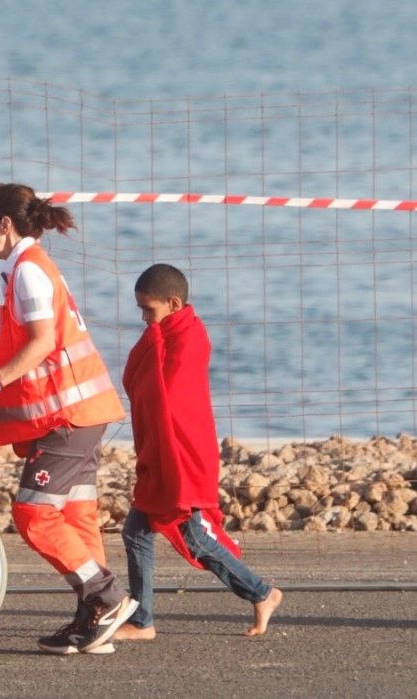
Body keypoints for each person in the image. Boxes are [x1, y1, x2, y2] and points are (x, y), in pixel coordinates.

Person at [0, 182, 136, 655]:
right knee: (76, 515)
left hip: (69, 416)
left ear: (5, 226)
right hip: (81, 413)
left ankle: (106, 597)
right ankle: (94, 621)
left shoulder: (30, 273)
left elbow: (42, 342)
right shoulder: (30, 268)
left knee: (33, 513)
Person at [115, 263, 283, 641]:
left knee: (191, 536)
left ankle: (262, 592)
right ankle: (143, 621)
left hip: (183, 455)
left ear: (174, 303)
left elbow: (172, 400)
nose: (145, 319)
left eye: (150, 310)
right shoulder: (162, 333)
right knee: (137, 530)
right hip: (163, 451)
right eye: (141, 310)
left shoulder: (189, 338)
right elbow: (144, 387)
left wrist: (155, 341)